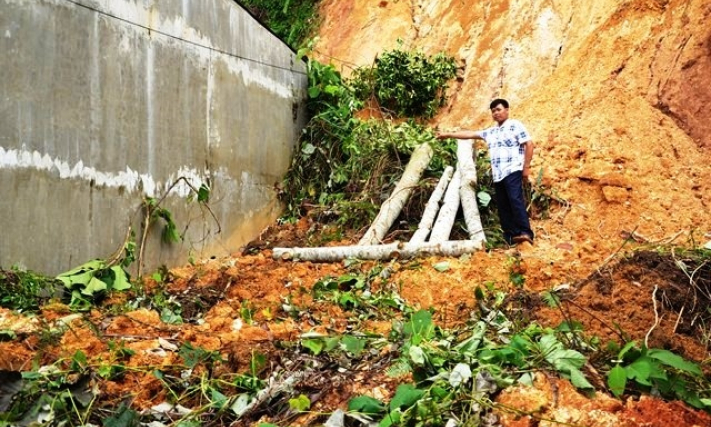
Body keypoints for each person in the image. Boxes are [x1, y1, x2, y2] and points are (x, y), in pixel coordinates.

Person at [436, 98, 535, 245]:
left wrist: (526, 168)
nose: (496, 113)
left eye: (499, 109)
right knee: (503, 205)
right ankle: (511, 236)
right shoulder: (491, 132)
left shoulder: (515, 125)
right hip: (498, 174)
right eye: (493, 111)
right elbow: (469, 134)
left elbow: (529, 144)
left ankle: (526, 233)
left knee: (515, 200)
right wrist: (448, 134)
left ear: (507, 110)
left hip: (513, 169)